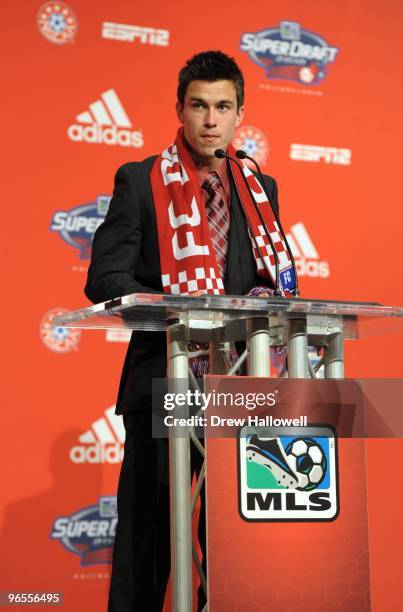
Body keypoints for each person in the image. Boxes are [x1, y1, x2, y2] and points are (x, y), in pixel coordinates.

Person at [85, 50, 291, 612]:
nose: (209, 120)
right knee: (147, 538)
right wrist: (180, 305)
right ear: (180, 108)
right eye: (198, 105)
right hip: (165, 381)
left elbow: (278, 280)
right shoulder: (140, 181)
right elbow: (104, 277)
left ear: (239, 113)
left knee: (234, 538)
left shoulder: (261, 188)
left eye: (223, 107)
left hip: (242, 387)